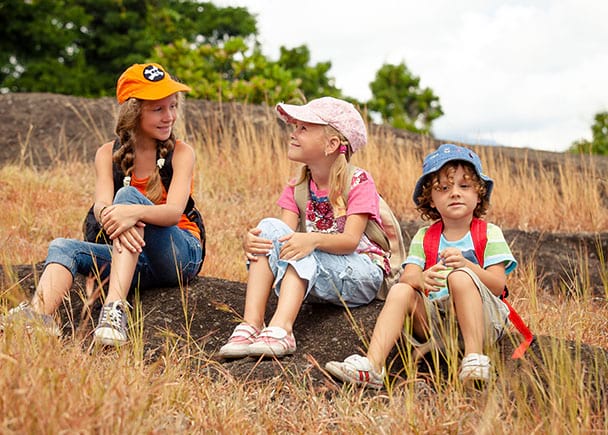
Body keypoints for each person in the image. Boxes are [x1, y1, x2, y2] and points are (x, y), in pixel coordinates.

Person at [0, 63, 204, 346]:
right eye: (158, 109)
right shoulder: (107, 154)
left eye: (172, 107)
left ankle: (114, 308)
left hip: (180, 253)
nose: (168, 116)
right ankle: (38, 317)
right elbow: (101, 206)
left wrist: (128, 211)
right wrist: (115, 213)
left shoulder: (182, 153)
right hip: (134, 258)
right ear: (134, 112)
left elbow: (172, 213)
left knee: (126, 197)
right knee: (62, 246)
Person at [325, 144, 517, 388]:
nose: (455, 193)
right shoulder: (425, 237)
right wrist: (422, 278)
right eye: (444, 188)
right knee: (401, 290)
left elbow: (498, 285)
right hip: (436, 323)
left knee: (459, 277)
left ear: (478, 194)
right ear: (432, 200)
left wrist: (468, 266)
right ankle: (373, 366)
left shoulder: (488, 233)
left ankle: (474, 358)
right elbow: (408, 276)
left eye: (464, 186)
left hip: (483, 320)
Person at [218, 97, 390, 359]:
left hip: (361, 273)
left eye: (304, 128)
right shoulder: (297, 186)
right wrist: (253, 242)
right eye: (295, 127)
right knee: (268, 228)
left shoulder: (358, 181)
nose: (293, 134)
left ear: (332, 144)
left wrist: (312, 241)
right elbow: (283, 240)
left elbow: (350, 241)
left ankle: (282, 328)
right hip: (318, 270)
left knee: (302, 246)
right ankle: (252, 325)